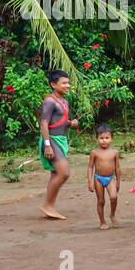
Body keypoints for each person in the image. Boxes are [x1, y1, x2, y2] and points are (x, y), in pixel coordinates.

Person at [38, 70, 79, 219]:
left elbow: (58, 121)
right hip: (51, 141)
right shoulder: (49, 101)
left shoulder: (64, 101)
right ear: (53, 84)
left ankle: (50, 207)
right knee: (64, 173)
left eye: (68, 82)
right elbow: (44, 123)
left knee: (55, 174)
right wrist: (47, 145)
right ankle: (47, 205)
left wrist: (71, 123)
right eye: (64, 83)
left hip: (61, 140)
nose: (68, 85)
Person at [87, 123, 121, 229]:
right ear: (96, 139)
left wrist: (118, 181)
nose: (104, 140)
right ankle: (102, 222)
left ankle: (112, 214)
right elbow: (90, 167)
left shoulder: (114, 152)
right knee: (101, 201)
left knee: (114, 197)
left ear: (111, 139)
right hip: (98, 178)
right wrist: (90, 181)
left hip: (111, 178)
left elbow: (117, 168)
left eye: (107, 138)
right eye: (101, 138)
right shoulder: (94, 153)